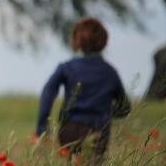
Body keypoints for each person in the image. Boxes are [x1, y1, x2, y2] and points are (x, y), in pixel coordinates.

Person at [35, 17, 131, 165]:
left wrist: (42, 127)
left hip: (69, 129)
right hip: (98, 131)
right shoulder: (110, 72)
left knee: (72, 162)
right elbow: (125, 108)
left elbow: (47, 93)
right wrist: (106, 113)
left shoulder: (66, 67)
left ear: (77, 40)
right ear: (103, 42)